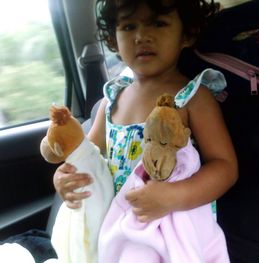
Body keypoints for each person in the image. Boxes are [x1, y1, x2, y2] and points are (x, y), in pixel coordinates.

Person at [53, 0, 238, 224]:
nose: (142, 36)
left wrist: (175, 196)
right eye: (129, 27)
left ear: (187, 35)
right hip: (116, 225)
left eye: (158, 23)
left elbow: (224, 167)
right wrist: (65, 176)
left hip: (171, 224)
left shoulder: (193, 97)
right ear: (113, 40)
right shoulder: (112, 100)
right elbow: (86, 156)